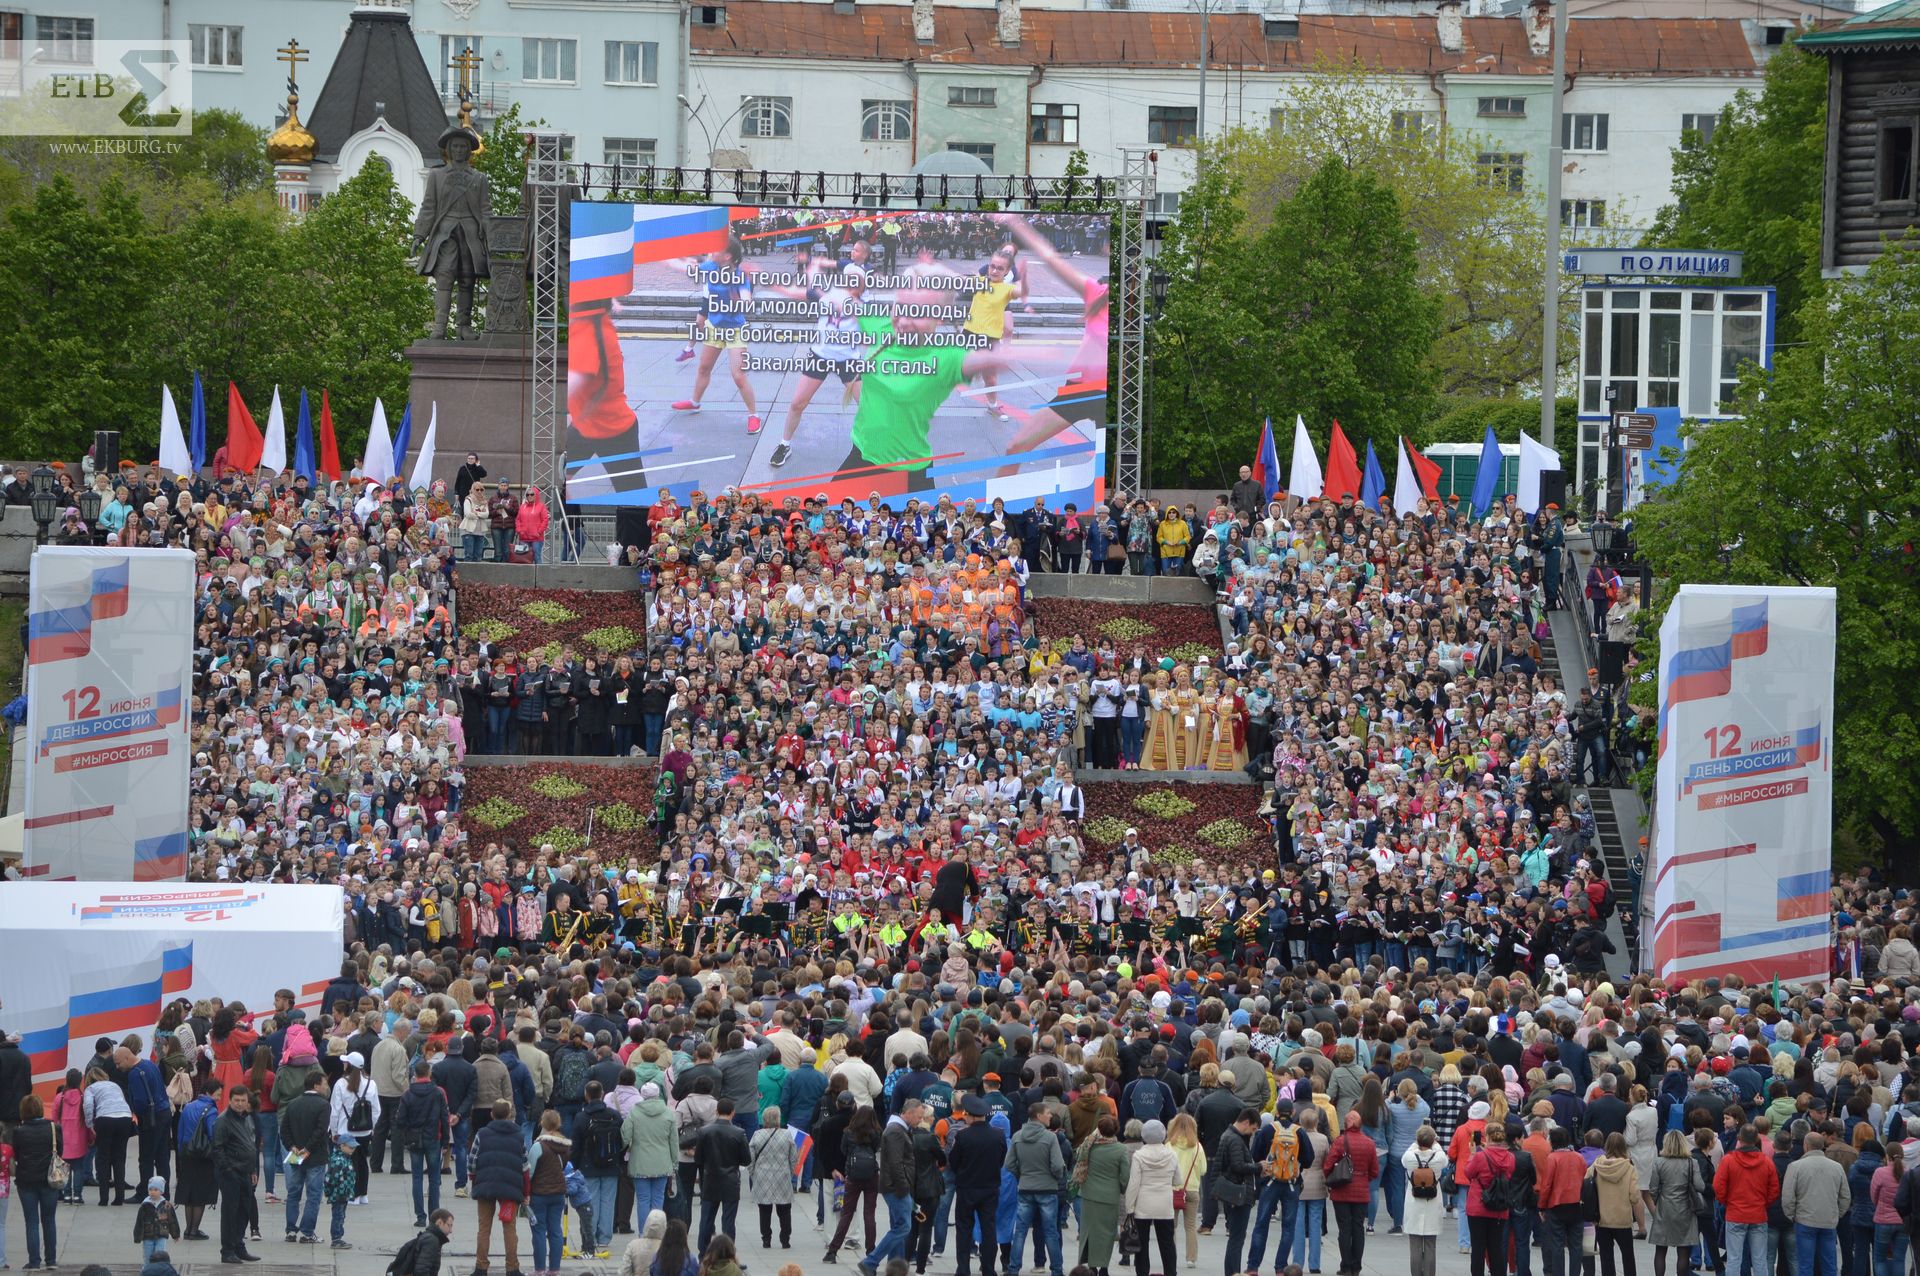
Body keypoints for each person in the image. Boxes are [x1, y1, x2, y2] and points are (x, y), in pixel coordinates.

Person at [1006, 1097, 1068, 1276]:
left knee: (1020, 1232)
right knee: (1051, 1233)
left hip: (1025, 1188)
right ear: (1040, 1116)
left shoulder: (1017, 1136)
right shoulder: (1050, 1138)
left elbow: (1009, 1164)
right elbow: (1057, 1166)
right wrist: (1054, 1178)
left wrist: (1022, 1175)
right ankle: (1057, 1270)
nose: (1051, 1117)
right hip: (1047, 1190)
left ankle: (1013, 1269)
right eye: (1048, 1114)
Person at [1782, 1131, 1851, 1276]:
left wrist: (1793, 1215)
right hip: (1828, 1221)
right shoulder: (1836, 1167)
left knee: (1805, 1265)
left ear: (1806, 1146)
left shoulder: (1795, 1166)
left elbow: (1788, 1197)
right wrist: (1837, 1214)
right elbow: (1845, 1196)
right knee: (1829, 1265)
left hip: (1804, 1220)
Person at [471, 1098, 527, 1276]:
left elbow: (472, 1161)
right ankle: (512, 1267)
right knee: (509, 1227)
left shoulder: (482, 1134)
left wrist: (474, 1178)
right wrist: (526, 1191)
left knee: (484, 1227)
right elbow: (525, 1166)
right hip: (510, 1188)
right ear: (510, 1115)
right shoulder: (519, 1135)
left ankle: (481, 1267)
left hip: (486, 1185)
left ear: (491, 1115)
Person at [1716, 1124, 1781, 1276]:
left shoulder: (1728, 1160)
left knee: (1734, 1259)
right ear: (1756, 1139)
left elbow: (1718, 1187)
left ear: (1739, 1139)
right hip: (1758, 1215)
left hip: (1735, 1213)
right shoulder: (1767, 1162)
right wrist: (1764, 1204)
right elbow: (1774, 1189)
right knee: (1759, 1260)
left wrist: (1728, 1202)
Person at [395, 1057, 451, 1230]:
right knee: (434, 1178)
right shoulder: (438, 1092)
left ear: (415, 1075)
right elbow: (444, 1117)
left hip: (414, 1139)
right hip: (433, 1137)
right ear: (429, 1073)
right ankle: (434, 1216)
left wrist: (406, 1134)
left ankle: (420, 1216)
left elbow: (400, 1120)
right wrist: (446, 1140)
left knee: (417, 1178)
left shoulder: (408, 1094)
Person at [278, 1068, 333, 1244]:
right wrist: (308, 1148)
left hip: (295, 1156)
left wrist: (292, 1146)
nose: (327, 1087)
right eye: (325, 1083)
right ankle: (307, 1232)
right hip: (315, 1157)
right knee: (314, 1195)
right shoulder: (324, 1105)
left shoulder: (293, 1104)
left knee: (293, 1193)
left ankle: (291, 1230)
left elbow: (284, 1129)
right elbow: (321, 1130)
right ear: (316, 1085)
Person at [1328, 1107, 1383, 1276]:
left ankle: (1345, 1266)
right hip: (1361, 1192)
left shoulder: (1340, 1141)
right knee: (1358, 1228)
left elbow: (1328, 1165)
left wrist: (1331, 1178)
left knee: (1344, 1229)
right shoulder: (1369, 1143)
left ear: (1346, 1123)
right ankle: (1356, 1266)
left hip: (1341, 1191)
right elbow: (1375, 1171)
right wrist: (1363, 1178)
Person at [213, 1084, 262, 1264]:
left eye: (243, 1101)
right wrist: (227, 1170)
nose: (240, 1104)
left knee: (244, 1209)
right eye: (236, 1101)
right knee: (230, 1212)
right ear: (230, 1100)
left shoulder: (246, 1118)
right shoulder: (223, 1120)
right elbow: (218, 1148)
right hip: (230, 1172)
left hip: (245, 1171)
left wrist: (252, 1169)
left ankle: (238, 1245)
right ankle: (227, 1250)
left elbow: (250, 1144)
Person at [1125, 1119, 1180, 1276]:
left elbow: (1134, 1183)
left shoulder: (1139, 1155)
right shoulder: (1171, 1154)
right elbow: (1178, 1180)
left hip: (1144, 1204)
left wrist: (1130, 1207)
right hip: (1164, 1204)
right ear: (1163, 1135)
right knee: (1167, 1243)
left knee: (1142, 1244)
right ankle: (1170, 1272)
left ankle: (1142, 1273)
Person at [694, 1098, 750, 1253]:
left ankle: (703, 1252)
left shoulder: (704, 1132)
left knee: (706, 1219)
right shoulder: (739, 1133)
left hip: (710, 1179)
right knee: (728, 1221)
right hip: (730, 1181)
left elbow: (698, 1158)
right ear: (733, 1112)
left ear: (716, 1111)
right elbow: (746, 1160)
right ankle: (728, 1254)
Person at [1646, 1131, 1705, 1276]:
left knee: (1660, 1250)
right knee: (1683, 1251)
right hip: (1685, 1209)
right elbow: (1700, 1186)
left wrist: (1657, 1202)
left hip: (1664, 1209)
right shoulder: (1692, 1162)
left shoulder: (1659, 1162)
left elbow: (1652, 1189)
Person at [1588, 1132, 1646, 1276]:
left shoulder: (1596, 1166)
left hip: (1601, 1219)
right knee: (1628, 1257)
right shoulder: (1629, 1167)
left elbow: (1586, 1187)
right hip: (1622, 1220)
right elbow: (1634, 1196)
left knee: (1606, 1257)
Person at [624, 1080, 677, 1232]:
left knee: (643, 1200)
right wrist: (674, 1163)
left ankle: (643, 1233)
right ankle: (657, 1233)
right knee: (658, 1200)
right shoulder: (668, 1113)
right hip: (662, 1161)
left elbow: (626, 1135)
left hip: (639, 1162)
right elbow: (673, 1141)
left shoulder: (635, 1112)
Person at [747, 1104, 802, 1252]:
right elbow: (793, 1158)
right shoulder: (787, 1135)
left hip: (762, 1177)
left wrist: (753, 1173)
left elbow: (749, 1159)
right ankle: (785, 1239)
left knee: (764, 1210)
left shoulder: (757, 1135)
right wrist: (789, 1173)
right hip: (782, 1176)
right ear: (778, 1119)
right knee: (785, 1210)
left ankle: (766, 1239)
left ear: (764, 1119)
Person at [329, 1051, 379, 1205]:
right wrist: (372, 1128)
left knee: (350, 1163)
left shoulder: (340, 1084)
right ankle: (363, 1194)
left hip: (346, 1130)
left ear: (349, 1065)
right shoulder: (371, 1083)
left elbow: (335, 1111)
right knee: (363, 1161)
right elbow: (377, 1110)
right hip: (365, 1131)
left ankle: (353, 1194)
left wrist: (334, 1131)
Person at [1216, 1108, 1262, 1276]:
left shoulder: (1230, 1136)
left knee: (1236, 1238)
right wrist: (1259, 1167)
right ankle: (1233, 1272)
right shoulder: (1235, 1139)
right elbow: (1238, 1166)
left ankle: (1232, 1272)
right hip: (1238, 1194)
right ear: (1246, 1123)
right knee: (1237, 1239)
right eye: (1253, 1129)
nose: (1253, 1133)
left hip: (1234, 1192)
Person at [82, 1065, 135, 1206]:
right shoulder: (114, 1085)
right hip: (124, 1117)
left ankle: (104, 1197)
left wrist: (90, 1125)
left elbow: (87, 1106)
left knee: (103, 1158)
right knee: (119, 1157)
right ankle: (119, 1197)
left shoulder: (91, 1089)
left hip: (105, 1118)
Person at [528, 1109, 572, 1276]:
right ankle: (554, 1269)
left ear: (542, 1124)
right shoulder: (564, 1146)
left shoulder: (538, 1146)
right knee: (555, 1230)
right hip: (558, 1193)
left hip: (539, 1193)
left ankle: (539, 1269)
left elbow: (530, 1172)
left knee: (539, 1231)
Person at [1403, 1125, 1447, 1276]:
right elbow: (1442, 1154)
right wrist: (1435, 1142)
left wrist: (1417, 1141)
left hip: (1414, 1203)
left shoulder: (1409, 1158)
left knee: (1414, 1245)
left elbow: (1408, 1152)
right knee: (1430, 1245)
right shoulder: (1439, 1158)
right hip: (1432, 1202)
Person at [135, 1174, 183, 1261]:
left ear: (161, 1191)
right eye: (150, 1189)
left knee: (160, 1255)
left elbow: (172, 1220)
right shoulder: (145, 1205)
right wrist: (137, 1236)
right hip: (148, 1235)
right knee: (148, 1256)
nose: (152, 1192)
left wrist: (175, 1234)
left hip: (162, 1234)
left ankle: (159, 1269)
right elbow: (139, 1222)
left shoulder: (166, 1205)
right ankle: (148, 1270)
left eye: (156, 1190)